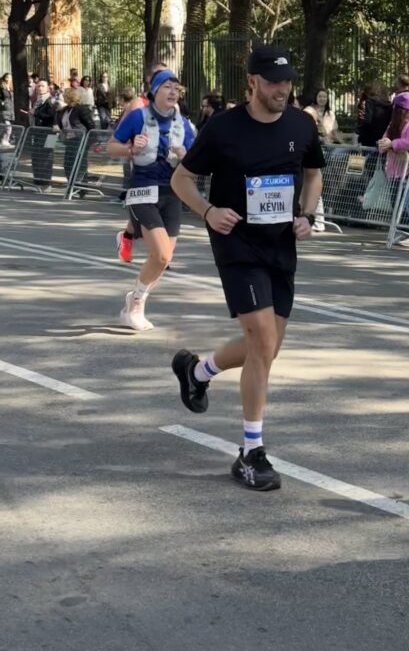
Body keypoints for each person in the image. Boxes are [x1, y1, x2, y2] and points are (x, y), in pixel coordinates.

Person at [169, 44, 324, 492]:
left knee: (267, 348)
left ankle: (197, 371)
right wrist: (208, 211)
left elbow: (313, 173)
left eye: (287, 81)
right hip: (236, 243)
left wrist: (306, 215)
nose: (282, 90)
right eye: (273, 82)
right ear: (253, 82)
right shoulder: (223, 127)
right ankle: (251, 452)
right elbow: (181, 178)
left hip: (280, 245)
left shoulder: (301, 124)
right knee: (262, 339)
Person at [106, 70, 196, 331]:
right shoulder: (138, 117)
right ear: (154, 91)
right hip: (143, 190)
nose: (173, 91)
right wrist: (130, 148)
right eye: (167, 86)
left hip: (173, 193)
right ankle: (136, 304)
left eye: (176, 88)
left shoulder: (183, 124)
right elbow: (111, 146)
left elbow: (196, 159)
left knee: (162, 260)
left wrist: (185, 154)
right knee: (162, 254)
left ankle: (134, 301)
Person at [115, 62, 168, 263]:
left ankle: (128, 237)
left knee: (161, 205)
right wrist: (131, 149)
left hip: (166, 165)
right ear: (149, 81)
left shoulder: (173, 105)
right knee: (146, 205)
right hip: (143, 164)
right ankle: (156, 252)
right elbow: (121, 135)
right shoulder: (139, 104)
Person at [378, 92, 409, 248]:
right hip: (396, 169)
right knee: (397, 202)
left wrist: (392, 144)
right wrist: (384, 143)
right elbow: (385, 138)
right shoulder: (395, 123)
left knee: (408, 203)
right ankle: (405, 232)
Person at [54, 88, 94, 183]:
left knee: (79, 164)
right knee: (68, 164)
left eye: (64, 95)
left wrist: (90, 141)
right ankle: (72, 183)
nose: (62, 97)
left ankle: (80, 186)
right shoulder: (65, 109)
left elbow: (90, 125)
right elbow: (60, 121)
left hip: (79, 140)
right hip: (69, 141)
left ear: (69, 97)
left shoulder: (81, 109)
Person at [356, 80, 392, 147]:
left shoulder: (370, 102)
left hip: (369, 139)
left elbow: (367, 121)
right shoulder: (388, 105)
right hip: (383, 139)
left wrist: (360, 130)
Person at [0, 72, 13, 148]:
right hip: (4, 110)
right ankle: (4, 141)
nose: (11, 79)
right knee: (8, 126)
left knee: (4, 126)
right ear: (6, 78)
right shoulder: (2, 87)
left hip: (9, 110)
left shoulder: (9, 88)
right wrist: (2, 103)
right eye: (10, 78)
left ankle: (4, 141)